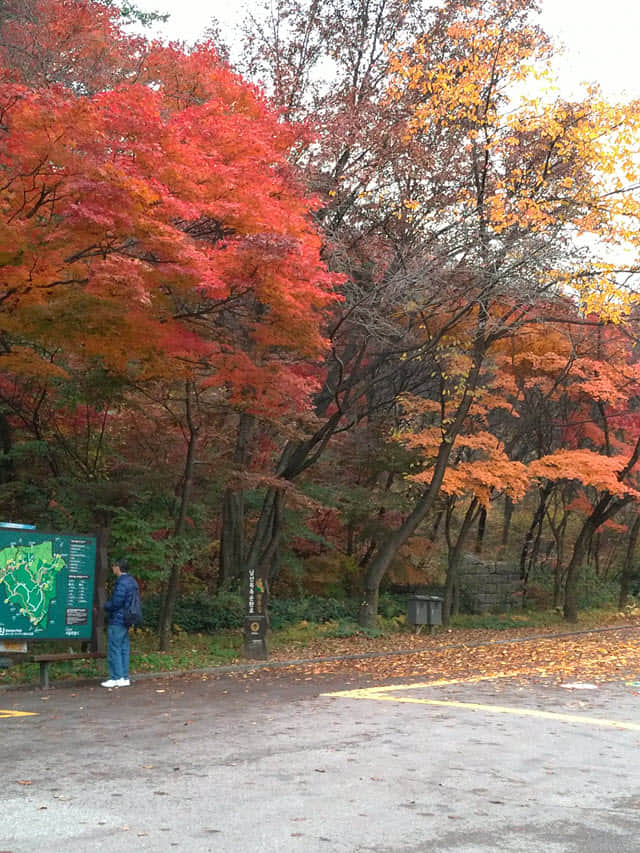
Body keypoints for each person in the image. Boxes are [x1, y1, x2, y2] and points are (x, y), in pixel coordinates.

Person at [101, 558, 138, 688]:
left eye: (113, 566)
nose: (112, 568)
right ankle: (124, 677)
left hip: (117, 619)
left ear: (118, 567)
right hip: (127, 619)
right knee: (123, 648)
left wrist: (105, 605)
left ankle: (116, 677)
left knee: (114, 648)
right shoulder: (132, 581)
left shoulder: (121, 583)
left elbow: (117, 602)